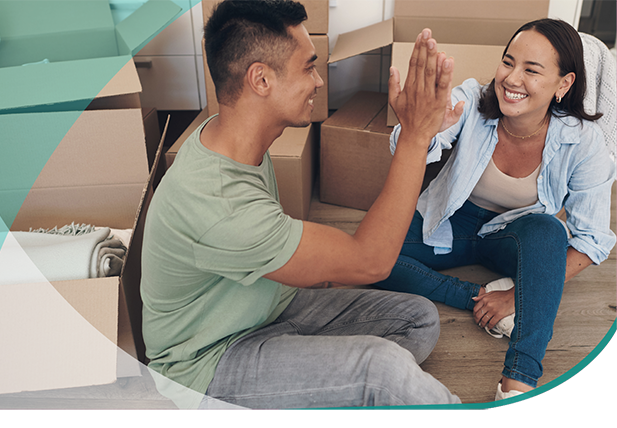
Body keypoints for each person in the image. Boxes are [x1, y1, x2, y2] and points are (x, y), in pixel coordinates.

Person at [140, 0, 462, 409]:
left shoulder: (230, 139)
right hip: (206, 366)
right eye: (309, 67)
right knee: (381, 370)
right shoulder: (219, 202)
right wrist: (416, 136)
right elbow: (370, 262)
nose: (319, 82)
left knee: (418, 319)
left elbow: (341, 265)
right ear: (261, 80)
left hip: (266, 305)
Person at [375, 18, 616, 401]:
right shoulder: (471, 100)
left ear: (563, 84)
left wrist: (516, 297)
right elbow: (406, 145)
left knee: (549, 232)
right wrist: (421, 129)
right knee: (371, 257)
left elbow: (592, 242)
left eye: (531, 70)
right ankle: (472, 293)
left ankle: (518, 382)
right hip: (449, 223)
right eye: (508, 62)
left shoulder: (583, 144)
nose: (511, 79)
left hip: (511, 236)